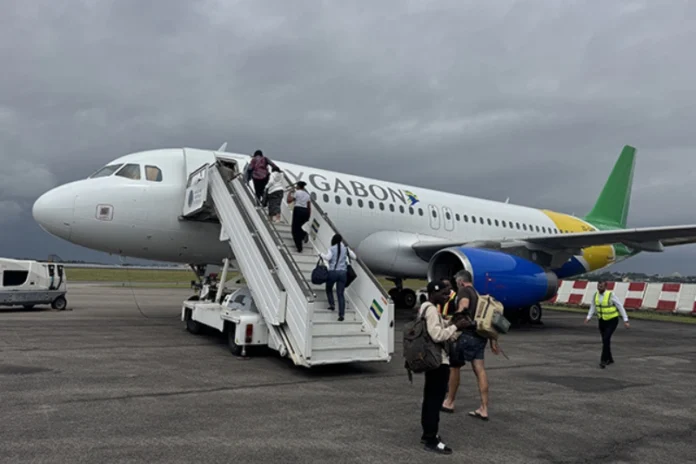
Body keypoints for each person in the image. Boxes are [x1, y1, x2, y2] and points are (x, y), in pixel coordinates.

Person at [418, 281, 470, 455]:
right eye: (445, 294)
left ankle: (428, 434)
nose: (447, 297)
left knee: (429, 399)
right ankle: (431, 439)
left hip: (431, 360)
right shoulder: (432, 310)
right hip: (438, 362)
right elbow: (437, 335)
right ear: (434, 293)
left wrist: (453, 325)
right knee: (434, 401)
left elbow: (438, 330)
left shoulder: (425, 307)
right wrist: (456, 326)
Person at [441, 269, 499, 420]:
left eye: (456, 283)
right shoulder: (477, 294)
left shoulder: (464, 292)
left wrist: (454, 320)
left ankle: (449, 402)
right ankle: (484, 408)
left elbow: (464, 307)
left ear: (461, 281)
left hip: (466, 336)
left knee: (454, 367)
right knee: (480, 370)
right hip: (480, 336)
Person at [584, 280, 630, 368]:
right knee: (605, 341)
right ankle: (610, 358)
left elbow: (620, 306)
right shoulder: (595, 295)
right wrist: (588, 317)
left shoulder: (610, 295)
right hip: (602, 320)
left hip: (612, 320)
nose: (599, 288)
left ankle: (603, 360)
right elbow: (593, 306)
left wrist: (625, 320)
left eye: (601, 286)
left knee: (606, 339)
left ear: (605, 287)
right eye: (598, 286)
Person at [319, 234, 356, 321]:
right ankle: (341, 315)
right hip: (343, 273)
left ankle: (332, 304)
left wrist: (320, 254)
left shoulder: (332, 248)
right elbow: (354, 257)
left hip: (333, 272)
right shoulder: (346, 248)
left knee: (329, 288)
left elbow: (328, 258)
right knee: (340, 294)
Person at [286, 181, 311, 252]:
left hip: (298, 210)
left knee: (294, 230)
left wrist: (290, 192)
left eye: (296, 186)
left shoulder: (297, 193)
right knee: (298, 227)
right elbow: (309, 206)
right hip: (305, 212)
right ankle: (303, 236)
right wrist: (308, 216)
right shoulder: (307, 195)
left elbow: (289, 200)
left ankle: (300, 245)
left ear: (298, 186)